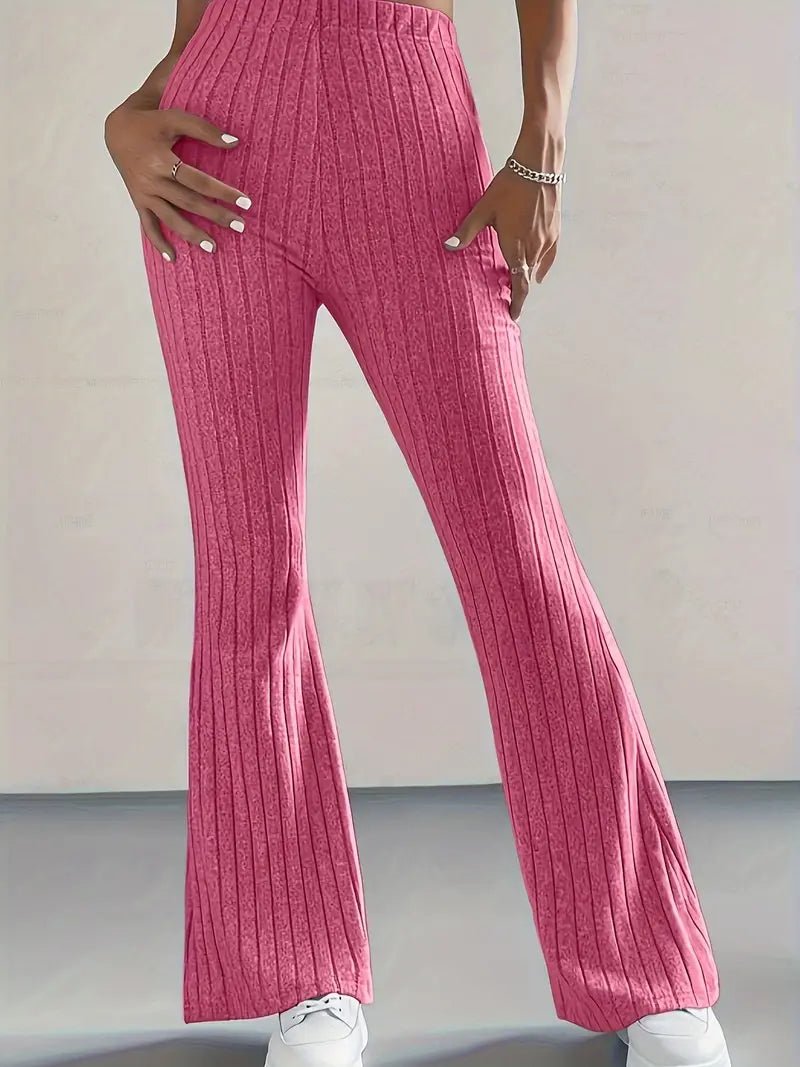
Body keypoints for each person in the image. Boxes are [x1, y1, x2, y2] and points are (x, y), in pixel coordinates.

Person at [104, 2, 732, 1065]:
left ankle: (648, 967)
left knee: (519, 557)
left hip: (407, 123)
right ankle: (302, 979)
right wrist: (133, 111)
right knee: (249, 568)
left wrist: (540, 149)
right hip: (217, 142)